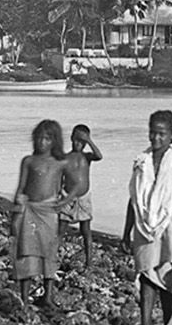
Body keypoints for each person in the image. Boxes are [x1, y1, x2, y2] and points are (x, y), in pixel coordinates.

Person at [123, 108, 172, 325]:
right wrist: (126, 231)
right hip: (144, 224)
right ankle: (146, 324)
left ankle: (169, 323)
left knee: (168, 275)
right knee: (146, 274)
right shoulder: (142, 161)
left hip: (169, 224)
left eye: (161, 134)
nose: (156, 138)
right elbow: (134, 198)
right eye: (153, 133)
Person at [11, 119, 67, 311]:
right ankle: (24, 297)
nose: (42, 142)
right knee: (26, 252)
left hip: (49, 211)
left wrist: (66, 201)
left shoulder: (60, 163)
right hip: (30, 209)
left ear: (55, 141)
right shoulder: (29, 161)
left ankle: (48, 296)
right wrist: (16, 215)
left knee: (49, 252)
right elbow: (21, 188)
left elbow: (79, 179)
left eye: (47, 139)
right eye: (40, 138)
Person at [58, 122, 103, 280]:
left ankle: (89, 263)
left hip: (84, 197)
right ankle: (52, 259)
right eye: (77, 140)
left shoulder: (87, 157)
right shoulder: (65, 158)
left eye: (82, 142)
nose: (79, 144)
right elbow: (59, 178)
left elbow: (99, 156)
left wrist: (89, 140)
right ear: (71, 139)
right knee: (61, 229)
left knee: (86, 231)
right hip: (67, 197)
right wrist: (59, 194)